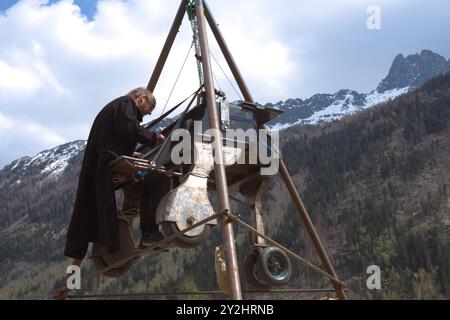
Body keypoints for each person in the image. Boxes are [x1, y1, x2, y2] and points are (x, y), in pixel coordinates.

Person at [64, 87, 165, 264]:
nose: (146, 115)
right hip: (106, 159)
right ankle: (145, 233)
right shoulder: (125, 103)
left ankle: (89, 246)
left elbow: (115, 135)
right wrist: (153, 137)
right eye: (148, 109)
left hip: (99, 159)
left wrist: (129, 153)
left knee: (92, 205)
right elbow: (129, 128)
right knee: (157, 180)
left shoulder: (114, 107)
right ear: (141, 99)